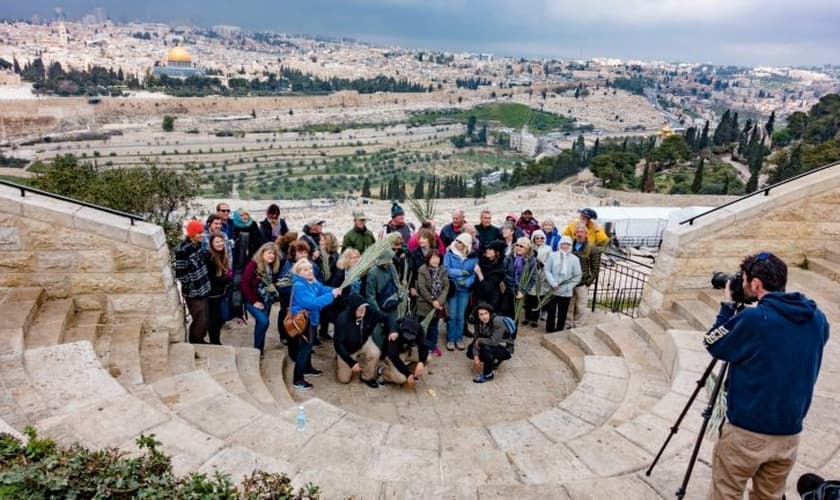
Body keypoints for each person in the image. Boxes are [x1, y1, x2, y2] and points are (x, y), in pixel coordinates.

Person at [704, 252, 829, 500]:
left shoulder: (753, 319)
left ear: (755, 284)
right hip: (789, 434)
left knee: (725, 493)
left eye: (745, 280)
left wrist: (728, 306)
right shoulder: (817, 318)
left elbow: (714, 343)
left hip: (747, 432)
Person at [289, 259, 341, 391]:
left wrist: (333, 290)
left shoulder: (310, 281)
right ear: (298, 272)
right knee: (305, 349)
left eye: (310, 269)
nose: (309, 271)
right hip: (304, 321)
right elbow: (312, 303)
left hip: (311, 320)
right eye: (305, 270)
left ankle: (307, 368)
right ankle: (298, 379)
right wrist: (332, 295)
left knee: (309, 345)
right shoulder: (300, 285)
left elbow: (321, 289)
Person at [333, 294, 396, 388]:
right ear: (353, 310)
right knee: (344, 379)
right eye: (359, 309)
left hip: (363, 342)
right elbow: (338, 344)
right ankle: (340, 359)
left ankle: (367, 377)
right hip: (347, 348)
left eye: (364, 307)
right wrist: (351, 363)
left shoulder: (370, 312)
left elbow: (388, 317)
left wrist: (393, 330)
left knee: (375, 353)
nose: (363, 311)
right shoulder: (342, 320)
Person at [174, 220, 211, 344]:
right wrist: (190, 288)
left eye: (202, 232)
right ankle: (196, 342)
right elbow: (181, 273)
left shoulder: (199, 245)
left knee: (205, 318)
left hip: (204, 288)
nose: (202, 235)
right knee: (199, 319)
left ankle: (200, 339)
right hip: (194, 292)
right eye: (199, 233)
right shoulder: (182, 250)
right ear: (191, 234)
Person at [241, 242, 281, 353]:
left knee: (261, 325)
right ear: (262, 253)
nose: (271, 256)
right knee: (264, 321)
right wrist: (254, 301)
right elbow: (244, 284)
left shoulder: (271, 266)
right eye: (269, 253)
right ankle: (258, 349)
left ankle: (259, 349)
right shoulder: (253, 265)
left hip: (266, 300)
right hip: (252, 300)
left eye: (273, 254)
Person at [444, 233, 479, 351]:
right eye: (457, 241)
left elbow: (473, 274)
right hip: (453, 288)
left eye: (460, 242)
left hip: (465, 290)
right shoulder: (449, 254)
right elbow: (446, 269)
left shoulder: (473, 257)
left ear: (466, 244)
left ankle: (459, 338)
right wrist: (461, 273)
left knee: (461, 315)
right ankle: (450, 339)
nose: (457, 243)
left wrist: (467, 282)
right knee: (452, 315)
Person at [320, 248, 361, 343]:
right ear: (347, 259)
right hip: (337, 306)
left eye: (357, 257)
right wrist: (350, 304)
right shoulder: (340, 274)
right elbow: (335, 294)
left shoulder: (359, 273)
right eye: (352, 258)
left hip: (354, 304)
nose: (356, 260)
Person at [543, 236, 581, 333]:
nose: (565, 246)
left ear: (571, 246)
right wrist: (552, 283)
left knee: (562, 311)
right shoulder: (552, 256)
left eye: (567, 244)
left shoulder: (575, 259)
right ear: (560, 245)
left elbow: (577, 276)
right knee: (551, 311)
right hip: (553, 289)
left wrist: (568, 287)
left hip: (566, 291)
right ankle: (550, 329)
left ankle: (559, 329)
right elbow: (547, 270)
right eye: (563, 244)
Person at [415, 250, 449, 357]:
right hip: (425, 303)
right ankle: (421, 346)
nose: (435, 260)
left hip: (438, 304)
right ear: (428, 259)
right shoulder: (422, 270)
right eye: (433, 258)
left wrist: (439, 301)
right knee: (423, 326)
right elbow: (422, 288)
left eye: (437, 258)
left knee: (434, 327)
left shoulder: (442, 269)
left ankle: (432, 346)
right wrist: (432, 301)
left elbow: (446, 286)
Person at [566, 223, 600, 329]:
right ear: (574, 233)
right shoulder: (569, 245)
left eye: (582, 232)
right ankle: (568, 323)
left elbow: (596, 268)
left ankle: (579, 323)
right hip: (569, 280)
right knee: (569, 304)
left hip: (583, 282)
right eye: (578, 232)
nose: (579, 234)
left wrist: (588, 282)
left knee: (581, 305)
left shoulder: (592, 248)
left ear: (586, 234)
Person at [467, 303, 512, 383]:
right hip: (488, 342)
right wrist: (476, 356)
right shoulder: (478, 322)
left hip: (502, 346)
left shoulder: (497, 321)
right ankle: (491, 360)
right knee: (470, 351)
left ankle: (488, 375)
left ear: (490, 313)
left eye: (486, 313)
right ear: (478, 316)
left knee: (486, 348)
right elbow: (476, 339)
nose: (484, 316)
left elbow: (494, 342)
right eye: (481, 314)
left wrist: (479, 341)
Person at [380, 316, 428, 389]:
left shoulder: (419, 328)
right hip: (393, 355)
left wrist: (421, 362)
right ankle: (381, 371)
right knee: (401, 379)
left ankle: (412, 373)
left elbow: (424, 347)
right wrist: (407, 374)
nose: (408, 339)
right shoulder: (395, 330)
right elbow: (393, 356)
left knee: (427, 358)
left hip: (407, 351)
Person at [504, 237, 540, 327]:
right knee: (505, 312)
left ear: (528, 249)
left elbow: (533, 278)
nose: (518, 247)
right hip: (508, 289)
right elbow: (503, 272)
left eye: (522, 246)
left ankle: (512, 336)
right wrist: (512, 286)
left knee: (515, 315)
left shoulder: (532, 261)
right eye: (517, 245)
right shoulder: (510, 257)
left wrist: (523, 292)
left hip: (520, 292)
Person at [365, 248, 403, 331]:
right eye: (387, 260)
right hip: (380, 307)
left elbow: (397, 282)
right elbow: (370, 295)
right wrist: (378, 311)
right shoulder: (372, 273)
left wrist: (400, 295)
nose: (390, 262)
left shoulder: (392, 267)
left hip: (393, 305)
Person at [206, 233, 232, 345]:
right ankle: (215, 342)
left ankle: (216, 340)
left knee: (219, 318)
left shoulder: (222, 254)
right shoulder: (210, 257)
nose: (220, 243)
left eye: (221, 241)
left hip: (220, 291)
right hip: (212, 294)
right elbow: (212, 278)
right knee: (215, 319)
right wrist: (228, 279)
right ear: (211, 244)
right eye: (217, 242)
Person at [475, 240, 508, 316]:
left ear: (497, 253)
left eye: (490, 249)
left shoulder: (499, 269)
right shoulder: (485, 261)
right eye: (487, 249)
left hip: (490, 301)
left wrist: (479, 273)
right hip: (480, 298)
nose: (487, 250)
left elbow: (488, 287)